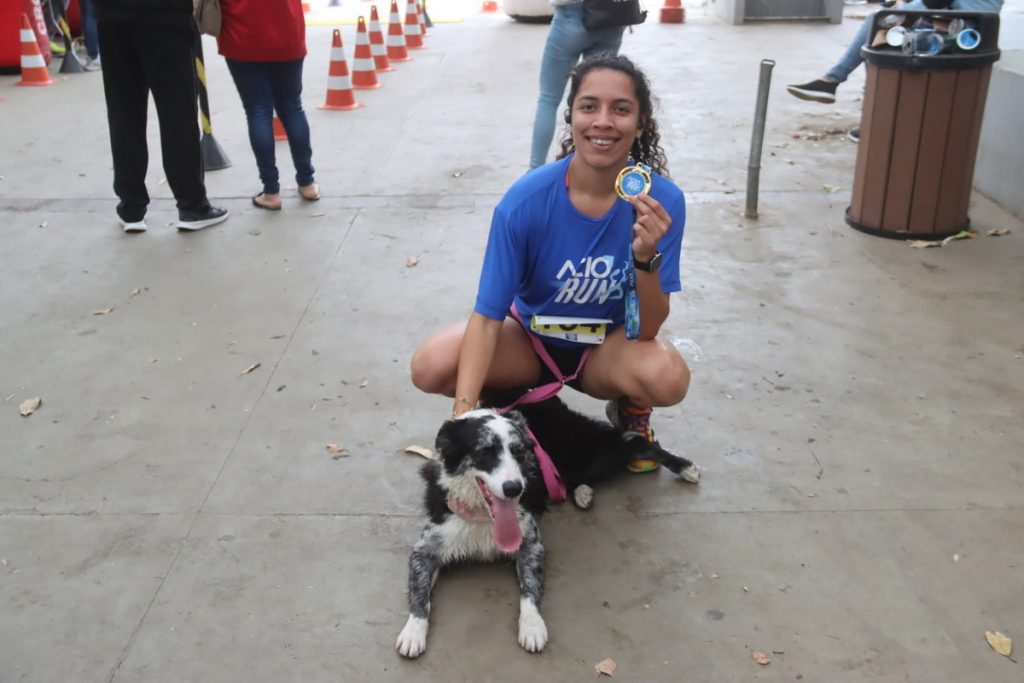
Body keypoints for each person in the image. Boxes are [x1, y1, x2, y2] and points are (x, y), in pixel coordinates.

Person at [412, 54, 690, 474]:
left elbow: (646, 329)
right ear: (571, 114)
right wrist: (463, 417)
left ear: (642, 122)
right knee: (430, 366)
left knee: (667, 377)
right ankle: (499, 404)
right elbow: (488, 317)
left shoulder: (661, 201)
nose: (602, 121)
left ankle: (632, 409)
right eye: (589, 106)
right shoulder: (526, 200)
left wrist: (645, 259)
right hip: (529, 343)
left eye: (621, 109)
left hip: (604, 350)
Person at [93, 0, 229, 233]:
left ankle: (131, 208)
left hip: (112, 16)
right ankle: (191, 205)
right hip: (166, 16)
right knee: (178, 113)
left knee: (123, 112)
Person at [787, 0, 1004, 106]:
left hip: (960, 28)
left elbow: (936, 1)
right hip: (976, 27)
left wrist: (900, 7)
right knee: (878, 38)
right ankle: (867, 114)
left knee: (877, 23)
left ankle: (833, 81)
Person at [217, 0, 319, 211]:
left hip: (242, 34)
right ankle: (307, 182)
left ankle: (271, 191)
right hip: (287, 32)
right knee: (292, 106)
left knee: (258, 111)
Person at [529, 0, 626, 170]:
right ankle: (588, 166)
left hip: (572, 15)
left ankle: (534, 172)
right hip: (613, 16)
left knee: (548, 100)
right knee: (597, 101)